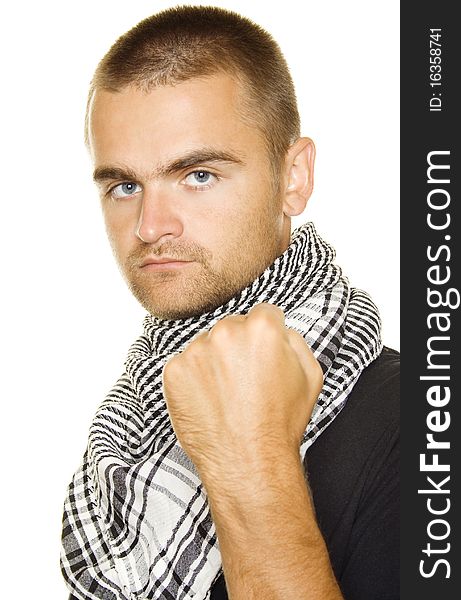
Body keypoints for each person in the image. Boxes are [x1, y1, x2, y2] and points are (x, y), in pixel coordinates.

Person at [60, 6, 399, 599]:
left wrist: (253, 461)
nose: (149, 226)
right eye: (124, 185)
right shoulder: (126, 438)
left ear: (293, 177)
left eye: (198, 175)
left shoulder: (420, 421)